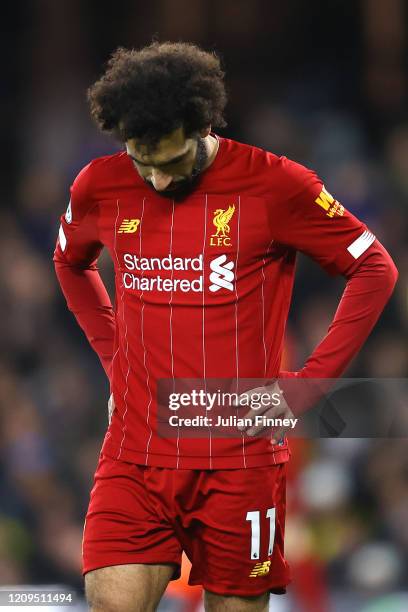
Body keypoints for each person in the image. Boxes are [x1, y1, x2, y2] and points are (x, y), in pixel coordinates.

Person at [54, 42, 398, 612]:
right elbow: (70, 261)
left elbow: (374, 267)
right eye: (144, 162)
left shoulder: (276, 185)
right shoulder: (100, 186)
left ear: (203, 125)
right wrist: (114, 359)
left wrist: (311, 383)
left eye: (172, 160)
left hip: (239, 459)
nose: (159, 181)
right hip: (135, 452)